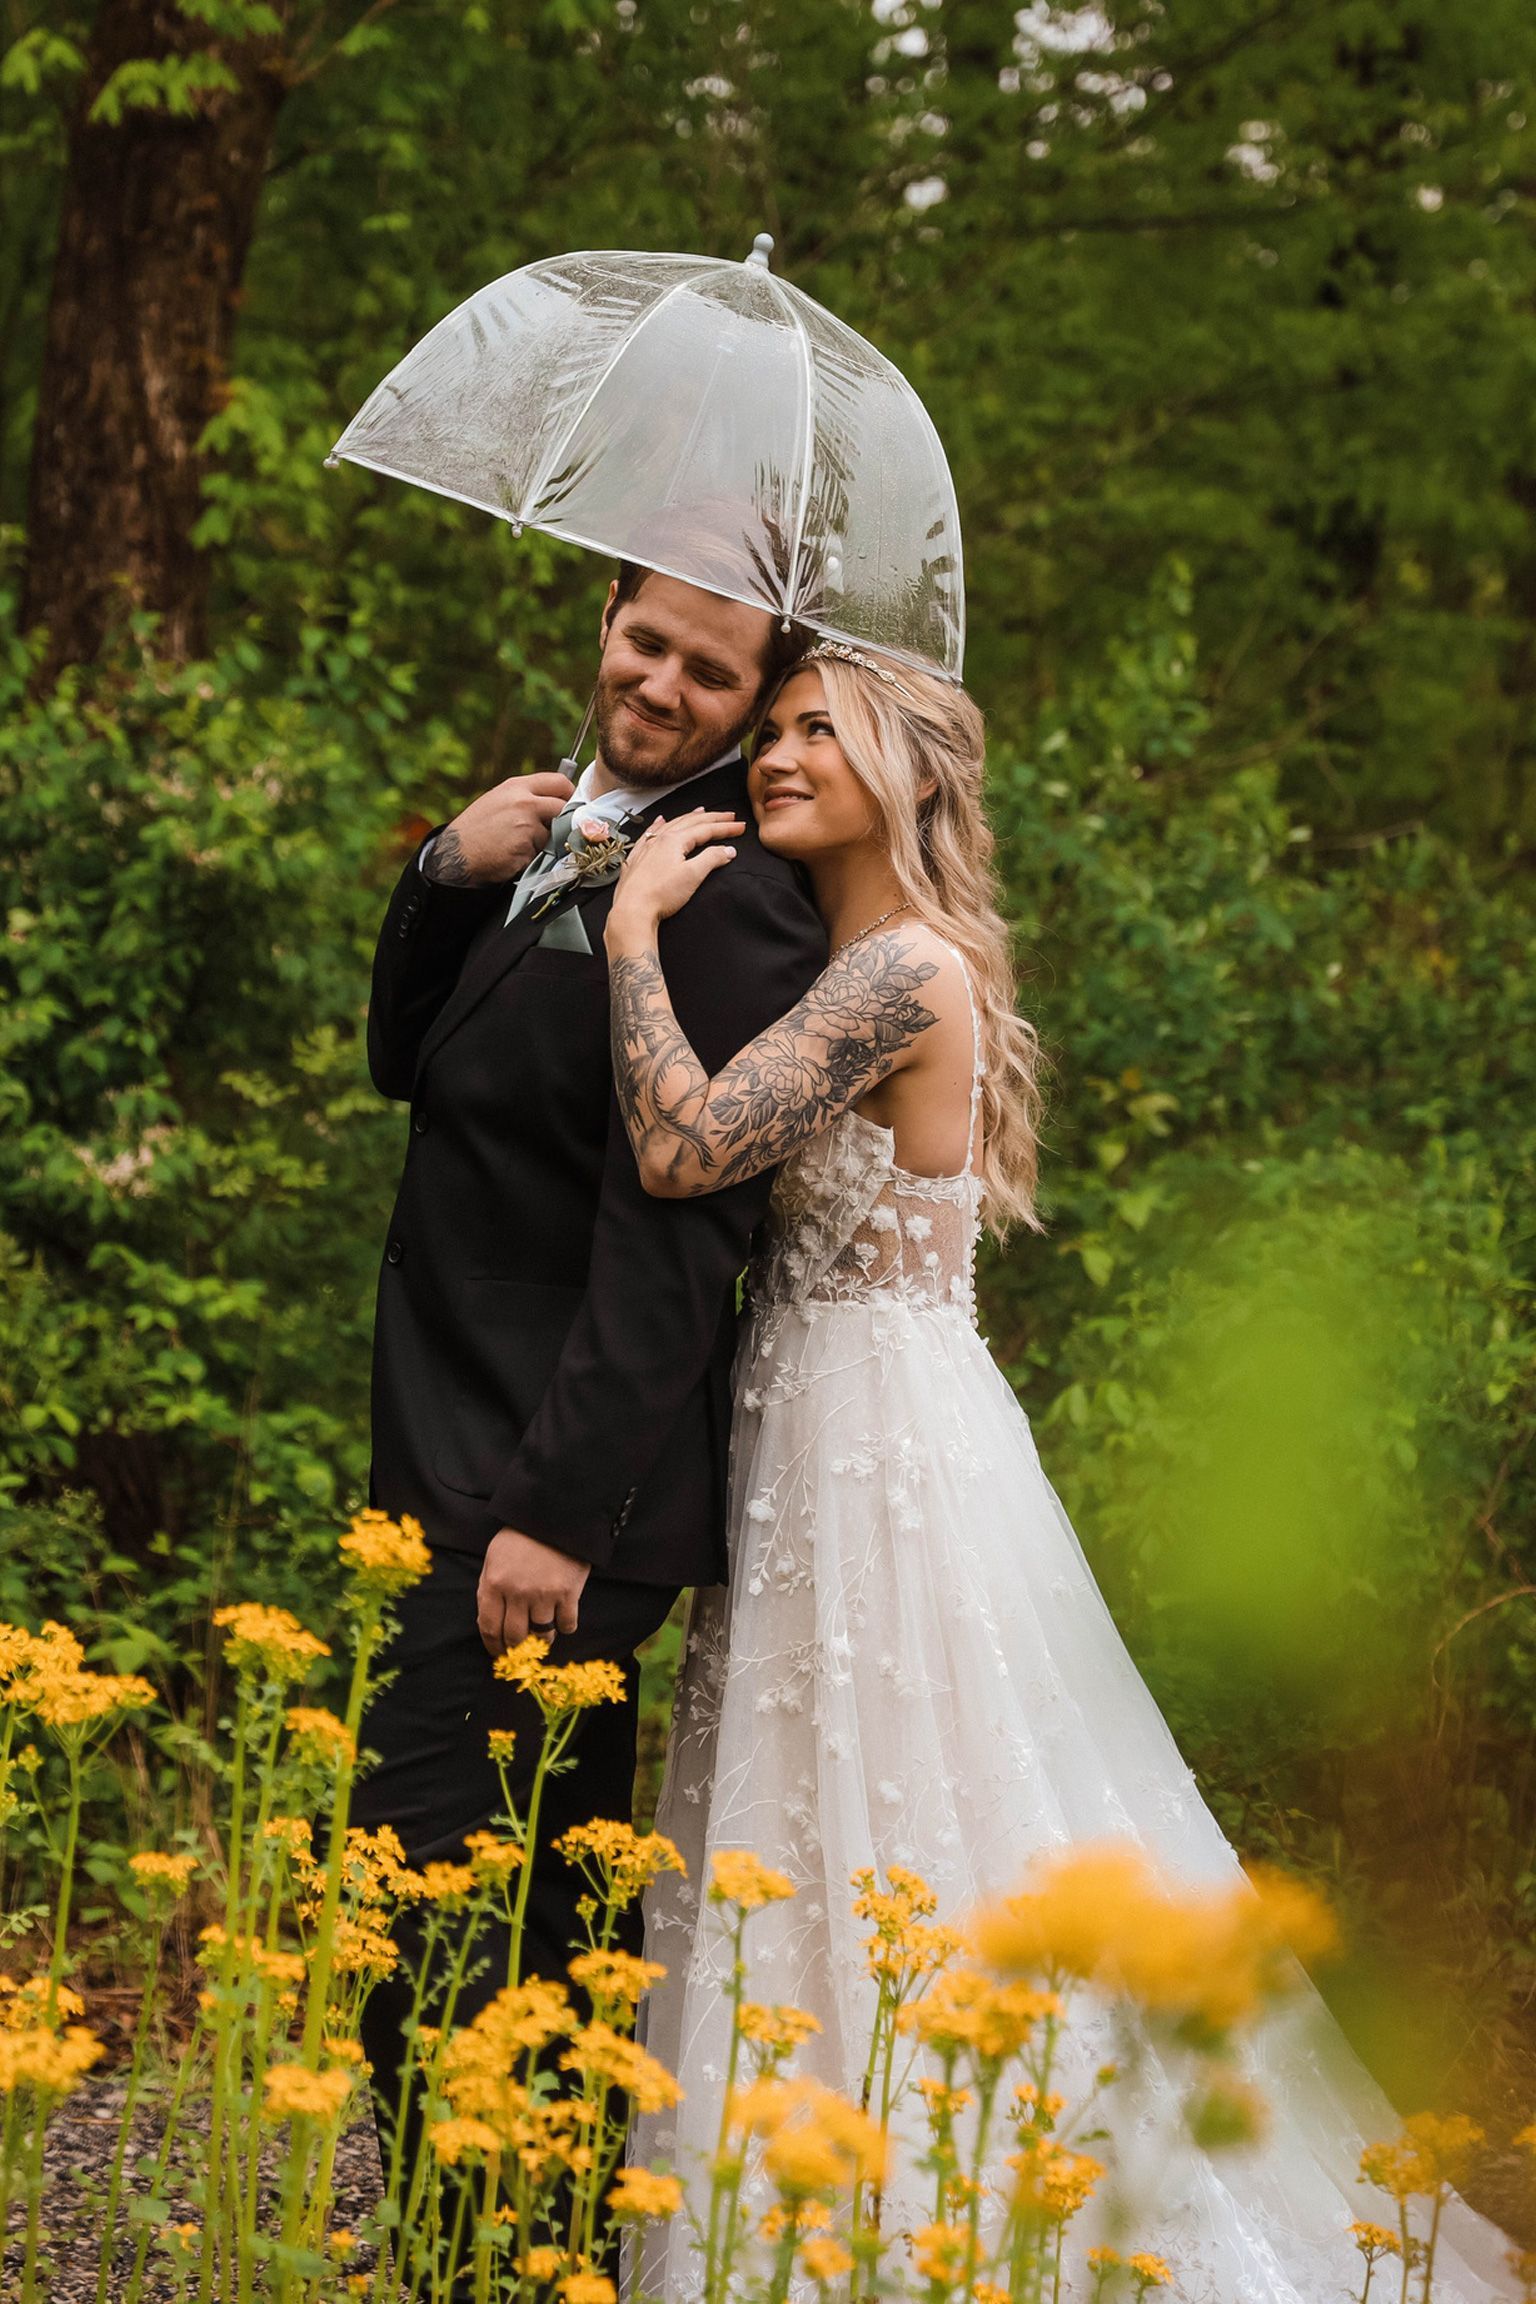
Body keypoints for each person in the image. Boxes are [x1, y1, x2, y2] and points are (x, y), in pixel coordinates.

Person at [602, 639, 1512, 2303]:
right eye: (779, 726)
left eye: (823, 732)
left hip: (876, 1441)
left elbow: (679, 1146)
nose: (779, 753)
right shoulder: (853, 953)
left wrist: (629, 933)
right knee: (830, 1816)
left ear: (912, 775)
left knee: (922, 1822)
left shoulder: (901, 976)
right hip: (828, 1419)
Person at [353, 566, 826, 2193]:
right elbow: (405, 1062)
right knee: (542, 1908)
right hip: (447, 1438)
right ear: (603, 624)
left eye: (711, 670)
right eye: (645, 640)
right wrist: (442, 871)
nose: (660, 684)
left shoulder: (737, 893)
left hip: (547, 1492)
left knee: (415, 1890)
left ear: (758, 699)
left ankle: (469, 2247)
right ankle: (543, 2250)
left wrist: (555, 1516)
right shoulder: (545, 824)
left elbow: (678, 1241)